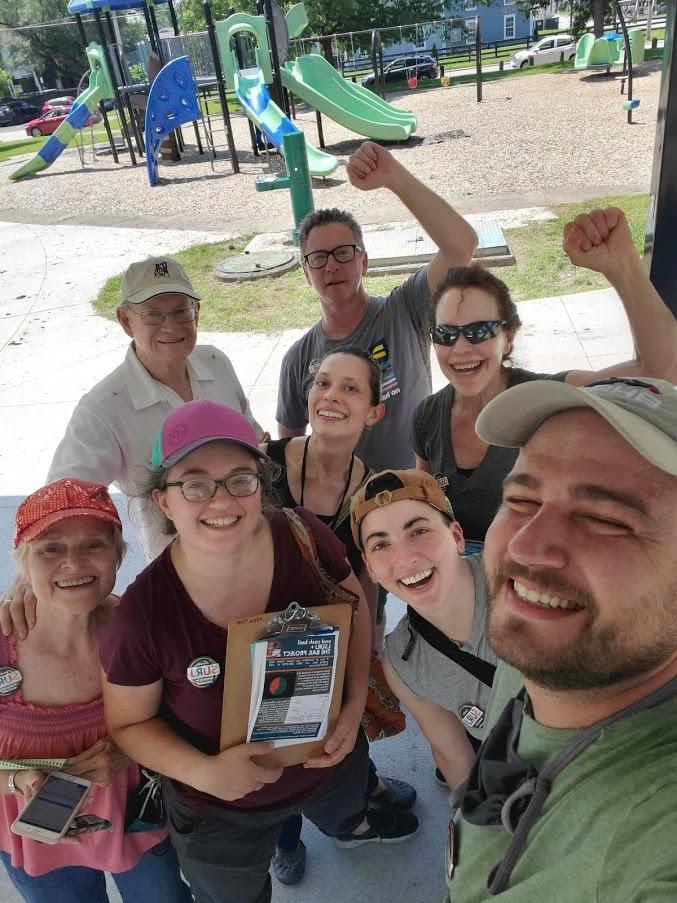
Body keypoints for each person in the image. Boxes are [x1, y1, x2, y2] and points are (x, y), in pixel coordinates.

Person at [99, 400, 419, 903]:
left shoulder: (302, 534)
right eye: (196, 484)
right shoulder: (143, 615)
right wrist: (205, 772)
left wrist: (354, 706)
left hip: (328, 761)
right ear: (163, 501)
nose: (221, 501)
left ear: (260, 483)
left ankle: (352, 827)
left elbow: (353, 607)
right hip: (223, 809)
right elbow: (128, 724)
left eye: (240, 479)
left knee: (344, 809)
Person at [445, 377, 677, 901]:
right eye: (523, 499)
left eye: (604, 519)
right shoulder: (542, 648)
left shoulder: (654, 824)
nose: (527, 547)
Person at [2, 255, 263, 633]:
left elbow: (254, 440)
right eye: (153, 314)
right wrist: (25, 580)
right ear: (126, 321)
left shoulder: (216, 362)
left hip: (255, 556)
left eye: (182, 311)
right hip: (182, 582)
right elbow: (61, 502)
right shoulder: (104, 408)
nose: (171, 325)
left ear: (198, 313)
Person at [411, 207, 677, 546]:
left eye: (479, 331)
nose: (461, 348)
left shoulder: (546, 400)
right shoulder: (426, 417)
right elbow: (424, 506)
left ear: (508, 337)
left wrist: (623, 266)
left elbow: (659, 369)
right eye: (446, 333)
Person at [265, 347, 417, 884]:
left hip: (334, 638)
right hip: (263, 644)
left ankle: (366, 784)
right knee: (282, 752)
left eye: (351, 388)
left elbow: (370, 581)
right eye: (323, 383)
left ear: (375, 412)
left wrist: (372, 646)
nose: (331, 396)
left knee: (341, 736)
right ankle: (285, 839)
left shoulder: (373, 493)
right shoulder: (263, 464)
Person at [1, 478, 191, 903]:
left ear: (118, 555)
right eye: (50, 548)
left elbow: (186, 715)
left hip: (136, 822)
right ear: (23, 562)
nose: (74, 562)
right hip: (39, 840)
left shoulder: (141, 631)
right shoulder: (1, 642)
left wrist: (128, 751)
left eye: (94, 545)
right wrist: (17, 779)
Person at [276, 140, 479, 472]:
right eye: (318, 258)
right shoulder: (298, 358)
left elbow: (461, 247)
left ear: (364, 261)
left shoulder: (405, 310)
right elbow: (290, 447)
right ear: (306, 274)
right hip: (344, 512)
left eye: (344, 252)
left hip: (417, 493)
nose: (332, 266)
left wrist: (394, 177)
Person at [350, 469, 497, 790]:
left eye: (418, 531)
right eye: (381, 545)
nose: (405, 559)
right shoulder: (404, 664)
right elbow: (453, 758)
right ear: (371, 568)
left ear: (457, 536)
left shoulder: (518, 581)